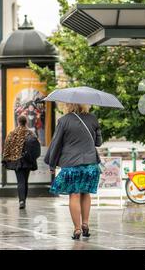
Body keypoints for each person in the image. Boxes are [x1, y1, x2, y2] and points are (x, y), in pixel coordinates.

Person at [44, 103, 102, 240]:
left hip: (71, 164)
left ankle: (77, 229)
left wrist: (52, 164)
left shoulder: (63, 121)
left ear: (69, 105)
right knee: (86, 193)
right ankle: (86, 224)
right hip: (90, 163)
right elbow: (98, 142)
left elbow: (56, 143)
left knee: (74, 195)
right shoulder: (93, 119)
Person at [2, 115, 41, 209]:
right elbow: (36, 148)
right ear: (26, 122)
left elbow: (7, 147)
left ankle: (21, 201)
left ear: (18, 122)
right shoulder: (30, 133)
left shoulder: (12, 133)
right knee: (25, 181)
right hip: (27, 160)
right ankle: (24, 200)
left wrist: (5, 159)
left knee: (20, 181)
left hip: (17, 161)